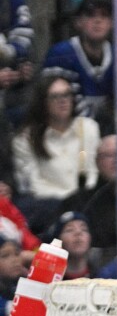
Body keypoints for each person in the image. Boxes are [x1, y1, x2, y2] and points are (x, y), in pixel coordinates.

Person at [12, 70, 100, 231]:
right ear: (42, 102)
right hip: (50, 212)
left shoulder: (89, 128)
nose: (63, 101)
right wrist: (70, 200)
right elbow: (34, 185)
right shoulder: (25, 139)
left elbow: (92, 172)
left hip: (90, 206)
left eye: (66, 95)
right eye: (55, 97)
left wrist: (82, 199)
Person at [42, 0, 117, 122]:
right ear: (78, 22)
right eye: (90, 15)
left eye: (104, 15)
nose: (97, 20)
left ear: (112, 23)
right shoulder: (61, 54)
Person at [53, 210, 94, 280]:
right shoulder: (50, 279)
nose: (78, 232)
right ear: (59, 240)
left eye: (84, 229)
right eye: (69, 230)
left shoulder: (102, 277)